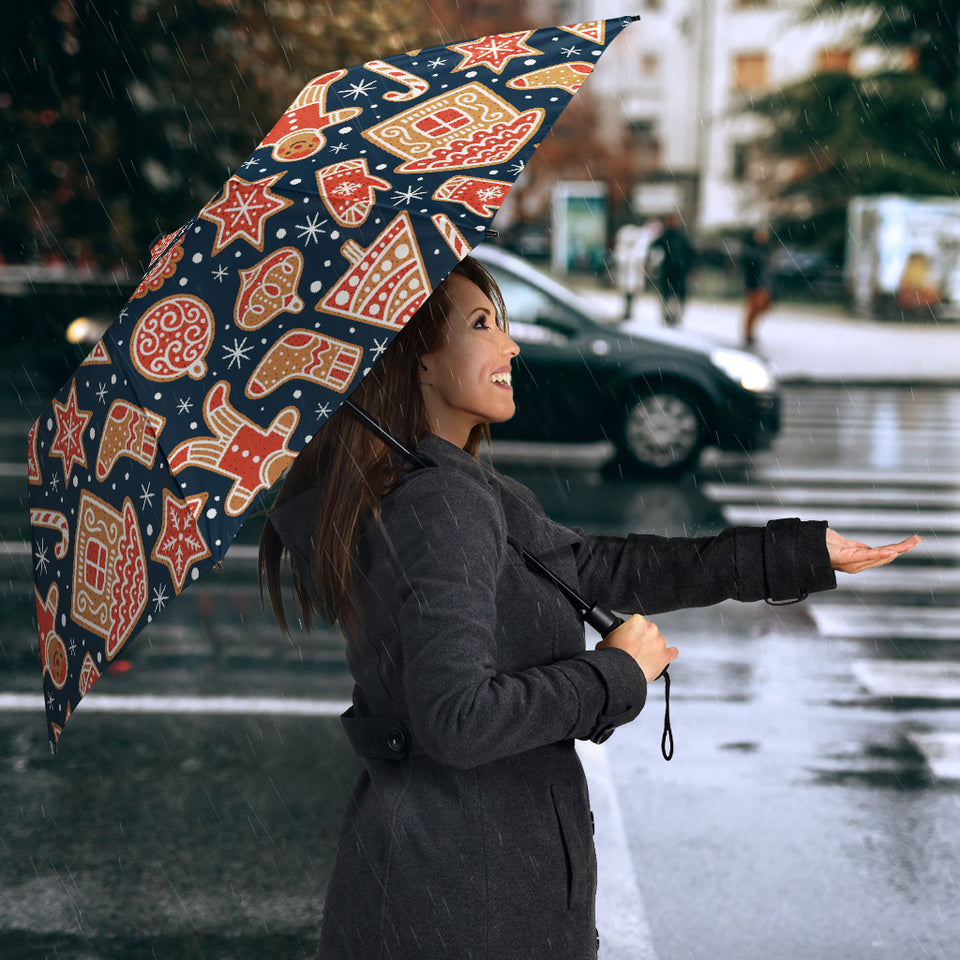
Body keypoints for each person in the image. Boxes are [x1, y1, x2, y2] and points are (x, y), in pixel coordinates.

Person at [259, 256, 920, 960]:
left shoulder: (451, 488)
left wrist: (795, 554)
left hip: (457, 881)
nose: (510, 345)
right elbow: (457, 719)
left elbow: (602, 567)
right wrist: (613, 674)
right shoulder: (439, 504)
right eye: (482, 325)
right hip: (465, 900)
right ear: (418, 362)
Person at [648, 213, 695, 327]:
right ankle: (667, 315)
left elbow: (690, 253)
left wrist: (690, 267)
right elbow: (654, 249)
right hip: (668, 270)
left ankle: (675, 316)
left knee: (677, 295)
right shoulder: (665, 236)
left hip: (679, 271)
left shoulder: (681, 237)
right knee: (667, 294)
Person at [741, 226, 773, 347]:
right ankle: (748, 333)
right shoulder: (751, 250)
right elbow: (750, 265)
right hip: (755, 284)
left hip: (763, 283)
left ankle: (750, 331)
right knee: (754, 308)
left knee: (762, 306)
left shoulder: (763, 249)